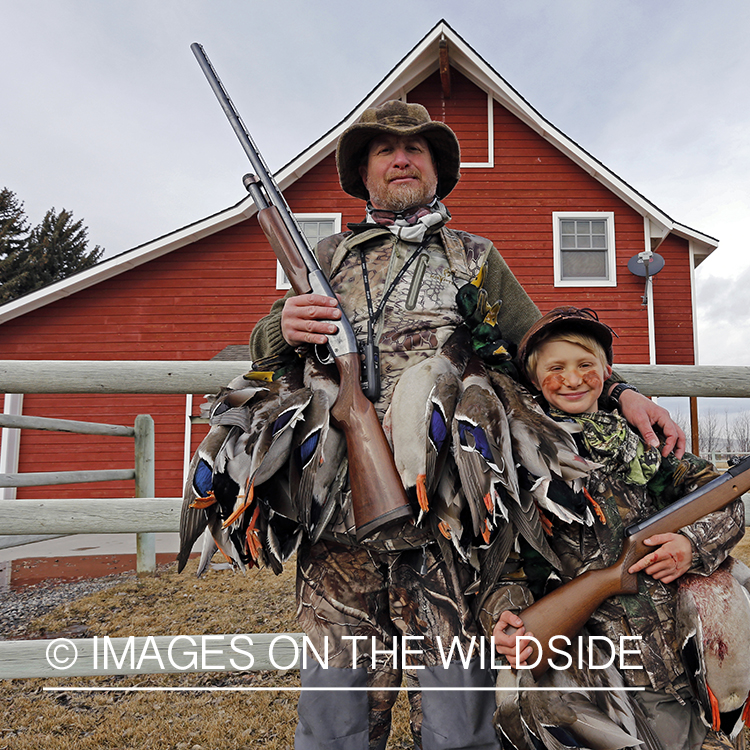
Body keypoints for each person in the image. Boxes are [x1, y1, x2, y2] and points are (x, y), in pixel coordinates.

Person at [248, 101, 688, 750]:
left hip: (448, 529)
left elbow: (539, 355)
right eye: (384, 150)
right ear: (363, 173)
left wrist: (619, 392)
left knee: (457, 726)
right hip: (338, 531)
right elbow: (261, 352)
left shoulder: (472, 258)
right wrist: (280, 329)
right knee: (334, 722)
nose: (402, 158)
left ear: (435, 168)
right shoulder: (327, 257)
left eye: (416, 149)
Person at [486, 307, 746, 750]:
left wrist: (690, 544)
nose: (573, 379)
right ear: (533, 380)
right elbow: (501, 560)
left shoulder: (645, 442)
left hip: (667, 654)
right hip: (583, 664)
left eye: (586, 365)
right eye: (556, 368)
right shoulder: (519, 456)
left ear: (607, 373)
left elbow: (726, 501)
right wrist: (503, 613)